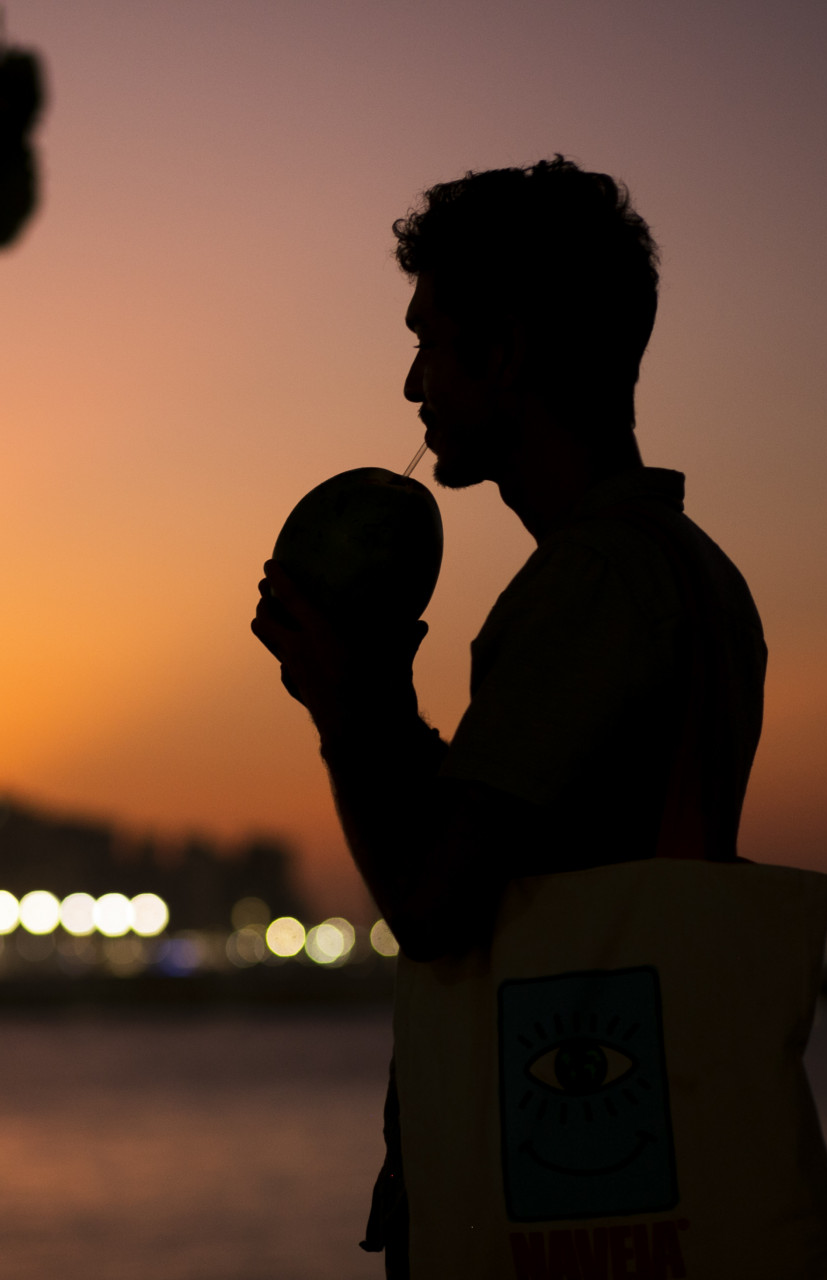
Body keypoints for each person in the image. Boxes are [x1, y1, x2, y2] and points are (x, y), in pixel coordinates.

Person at [252, 159, 770, 1275]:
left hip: (571, 1196)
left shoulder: (589, 584)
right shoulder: (696, 575)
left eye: (430, 339)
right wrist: (373, 694)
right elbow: (519, 845)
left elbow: (436, 904)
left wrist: (355, 703)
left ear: (507, 351)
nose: (410, 385)